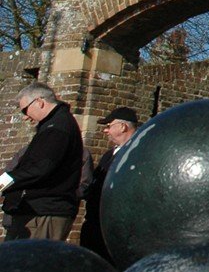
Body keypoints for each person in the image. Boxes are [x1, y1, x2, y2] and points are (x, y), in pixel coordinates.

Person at [1, 82, 84, 241]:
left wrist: (3, 182)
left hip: (45, 212)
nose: (25, 117)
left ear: (39, 102)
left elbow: (40, 168)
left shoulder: (58, 127)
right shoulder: (52, 125)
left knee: (33, 256)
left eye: (25, 110)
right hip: (37, 210)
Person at [78, 106, 138, 260]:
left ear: (123, 126)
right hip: (95, 222)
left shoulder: (138, 153)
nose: (105, 131)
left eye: (109, 126)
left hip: (115, 226)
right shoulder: (108, 155)